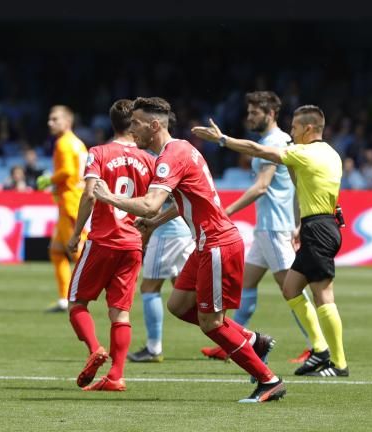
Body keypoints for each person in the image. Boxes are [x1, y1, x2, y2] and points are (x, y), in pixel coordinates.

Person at [93, 97, 284, 403]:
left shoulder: (170, 157)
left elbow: (149, 203)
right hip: (206, 243)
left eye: (137, 124)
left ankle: (268, 380)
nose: (132, 130)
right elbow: (187, 198)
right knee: (179, 305)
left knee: (212, 323)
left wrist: (108, 197)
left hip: (217, 243)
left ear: (155, 125)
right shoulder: (181, 149)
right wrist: (154, 223)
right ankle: (250, 340)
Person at [192, 105, 350, 378]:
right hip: (319, 225)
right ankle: (321, 350)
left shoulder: (305, 153)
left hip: (319, 229)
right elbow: (313, 189)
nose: (292, 133)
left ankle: (337, 363)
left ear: (309, 129)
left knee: (323, 295)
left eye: (295, 128)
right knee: (290, 288)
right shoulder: (332, 155)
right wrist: (302, 223)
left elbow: (259, 150)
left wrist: (222, 139)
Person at [198, 91, 312, 363]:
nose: (249, 117)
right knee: (245, 284)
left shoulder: (277, 142)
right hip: (267, 228)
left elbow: (262, 187)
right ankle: (232, 344)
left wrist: (225, 211)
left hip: (275, 227)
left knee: (291, 289)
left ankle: (316, 347)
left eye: (254, 113)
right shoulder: (274, 141)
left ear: (270, 114)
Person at [63, 99, 154, 392]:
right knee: (121, 312)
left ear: (111, 122)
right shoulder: (149, 159)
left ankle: (94, 349)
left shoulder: (99, 152)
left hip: (103, 239)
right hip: (132, 243)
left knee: (77, 301)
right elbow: (153, 205)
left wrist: (76, 234)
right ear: (135, 123)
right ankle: (116, 375)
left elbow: (90, 195)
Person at [126, 198, 193, 363]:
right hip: (185, 231)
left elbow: (152, 207)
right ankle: (240, 339)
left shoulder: (160, 172)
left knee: (149, 288)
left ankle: (153, 349)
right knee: (186, 296)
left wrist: (143, 241)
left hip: (166, 235)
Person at [38, 105, 88, 312]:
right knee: (57, 252)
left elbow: (67, 171)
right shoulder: (78, 144)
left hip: (70, 201)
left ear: (67, 122)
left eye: (55, 119)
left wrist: (48, 179)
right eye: (50, 119)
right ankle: (63, 298)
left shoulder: (63, 144)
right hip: (74, 199)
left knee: (77, 254)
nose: (50, 123)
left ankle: (85, 296)